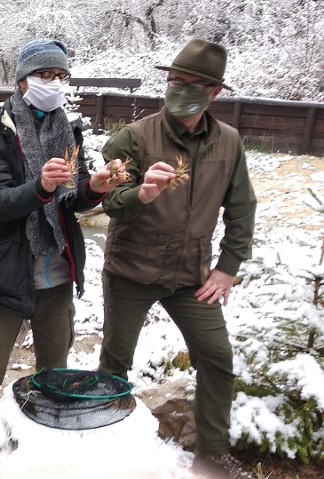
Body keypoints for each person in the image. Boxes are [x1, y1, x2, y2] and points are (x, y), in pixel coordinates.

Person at [98, 39, 257, 479]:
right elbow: (108, 202)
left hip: (192, 276)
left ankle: (212, 454)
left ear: (215, 93)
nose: (181, 90)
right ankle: (103, 444)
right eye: (175, 81)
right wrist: (141, 192)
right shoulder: (133, 138)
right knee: (115, 361)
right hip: (132, 270)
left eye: (194, 85)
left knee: (217, 358)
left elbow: (242, 208)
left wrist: (227, 268)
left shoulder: (228, 142)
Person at [0, 39, 128, 438]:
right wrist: (39, 186)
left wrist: (96, 187)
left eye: (60, 76)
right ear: (23, 79)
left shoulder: (67, 130)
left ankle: (45, 438)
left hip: (56, 273)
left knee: (55, 374)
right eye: (44, 75)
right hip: (5, 273)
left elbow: (71, 199)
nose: (53, 83)